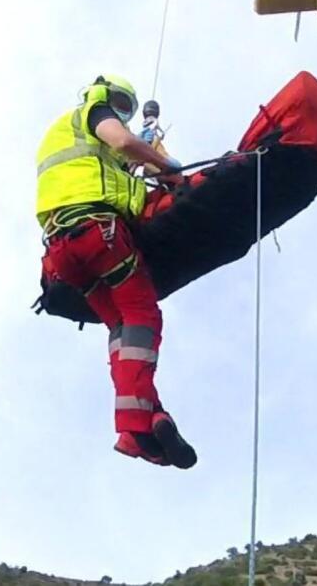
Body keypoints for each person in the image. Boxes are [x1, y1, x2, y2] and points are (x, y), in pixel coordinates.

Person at [34, 74, 197, 469]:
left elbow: (120, 156)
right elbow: (125, 143)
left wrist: (144, 151)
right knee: (141, 317)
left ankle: (145, 422)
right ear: (103, 96)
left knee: (123, 333)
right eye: (121, 104)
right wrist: (165, 163)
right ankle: (135, 427)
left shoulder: (69, 143)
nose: (122, 114)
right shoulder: (94, 114)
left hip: (63, 252)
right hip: (98, 233)